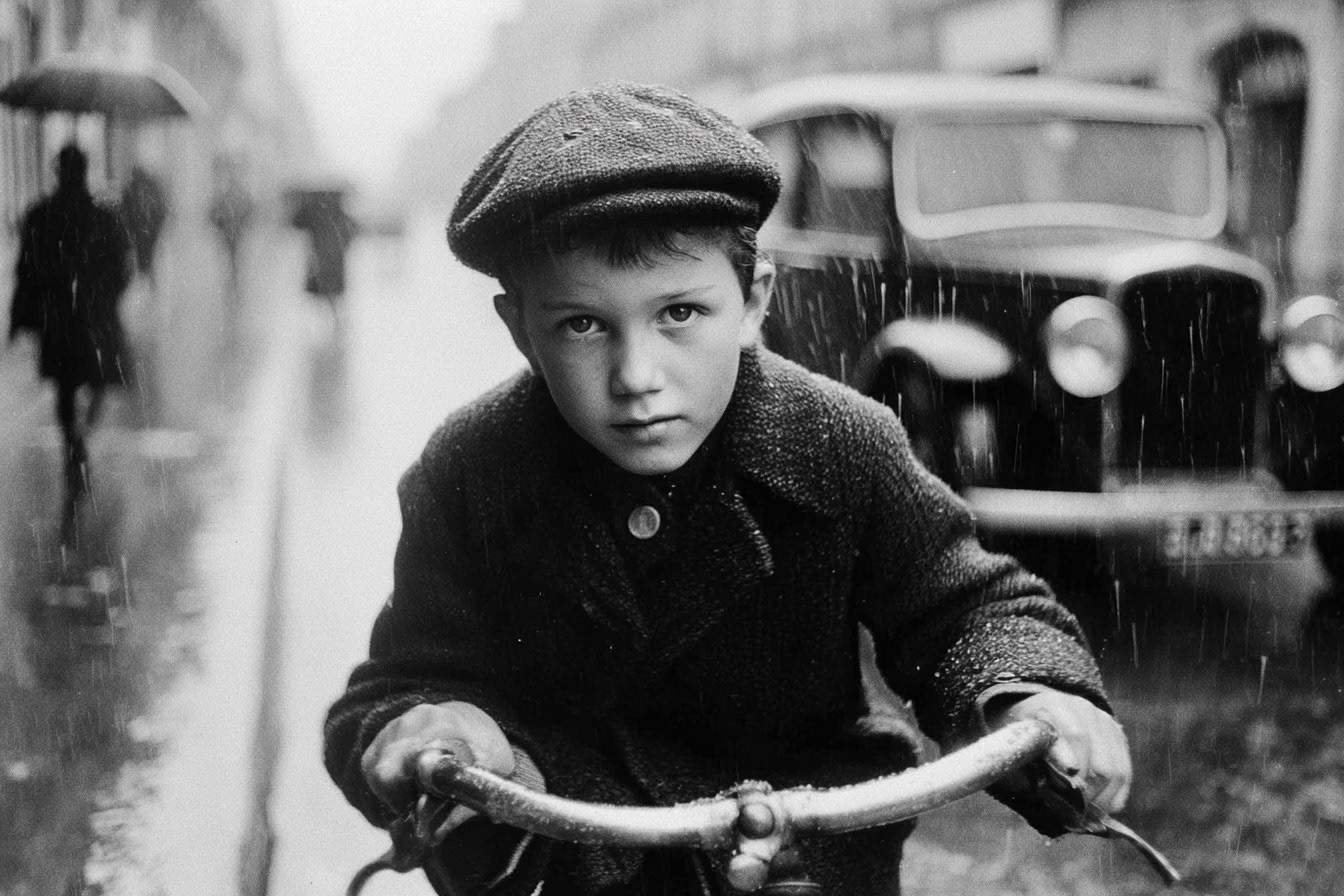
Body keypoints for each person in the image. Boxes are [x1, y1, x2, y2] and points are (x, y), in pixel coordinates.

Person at [324, 83, 1132, 896]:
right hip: (570, 859)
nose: (637, 377)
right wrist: (440, 730)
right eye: (582, 325)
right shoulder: (470, 470)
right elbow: (400, 681)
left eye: (679, 313)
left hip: (808, 845)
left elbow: (969, 608)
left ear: (753, 303)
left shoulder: (839, 443)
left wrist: (1030, 695)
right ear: (520, 332)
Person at [8, 144, 132, 548]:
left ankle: (73, 443)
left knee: (66, 386)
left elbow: (25, 270)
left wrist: (23, 315)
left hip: (58, 318)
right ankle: (79, 440)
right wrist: (105, 298)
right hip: (90, 319)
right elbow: (121, 267)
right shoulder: (102, 216)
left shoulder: (41, 215)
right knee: (94, 379)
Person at [118, 165, 167, 282]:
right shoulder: (147, 188)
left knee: (143, 251)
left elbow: (125, 209)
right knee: (145, 252)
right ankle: (147, 275)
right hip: (145, 228)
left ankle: (145, 274)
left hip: (142, 228)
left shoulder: (133, 188)